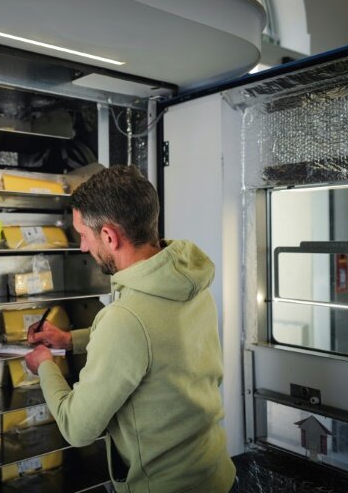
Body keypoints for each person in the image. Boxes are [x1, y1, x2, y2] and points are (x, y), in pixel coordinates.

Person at [24, 165, 236, 493]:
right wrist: (68, 341)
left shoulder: (125, 320)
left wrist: (45, 366)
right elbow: (154, 339)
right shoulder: (188, 282)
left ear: (109, 236)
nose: (82, 247)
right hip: (216, 474)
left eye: (84, 235)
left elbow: (76, 427)